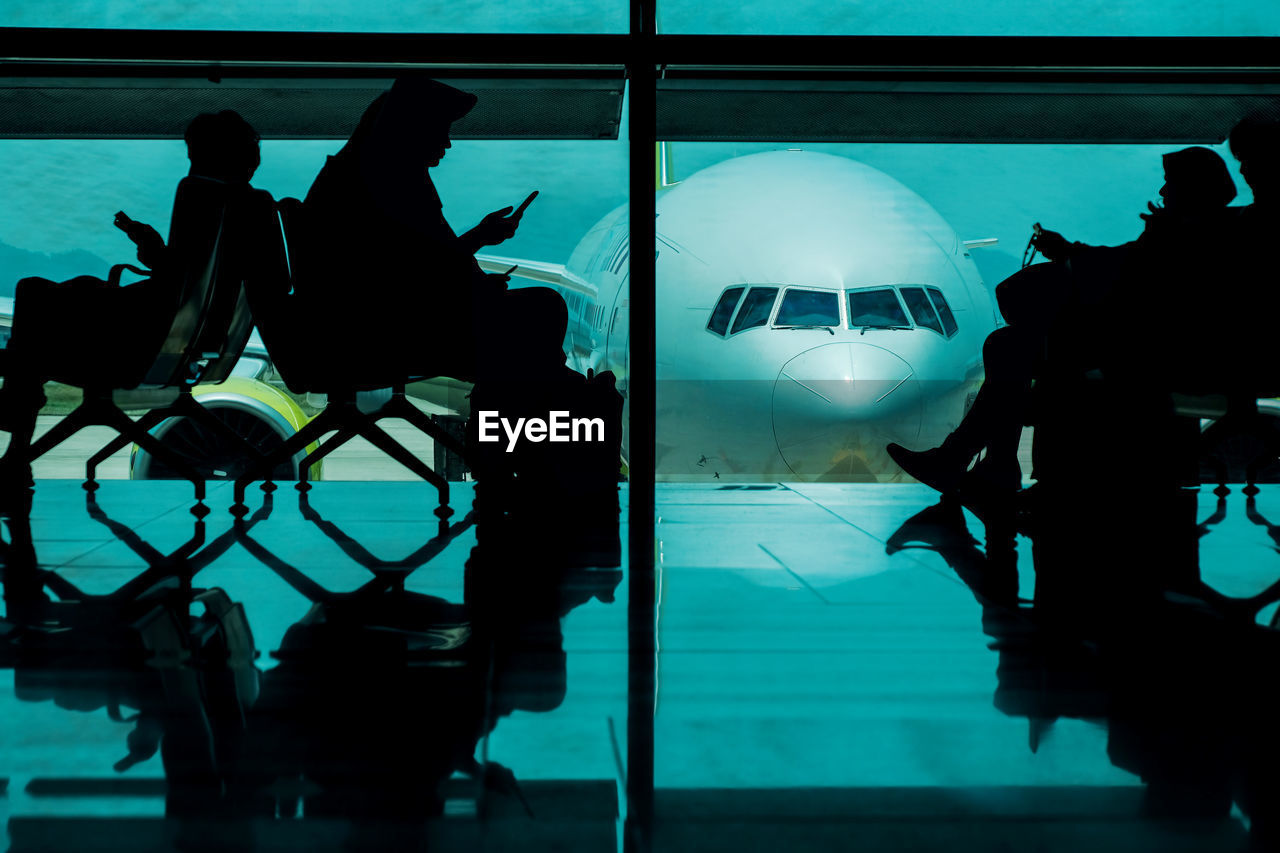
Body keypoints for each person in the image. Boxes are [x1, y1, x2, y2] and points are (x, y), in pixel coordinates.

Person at [887, 146, 1239, 500]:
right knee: (1009, 348)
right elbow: (1124, 267)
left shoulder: (1186, 236)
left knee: (1007, 349)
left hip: (1152, 351)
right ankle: (980, 462)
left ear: (1192, 189)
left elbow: (1130, 277)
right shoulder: (1197, 232)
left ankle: (979, 462)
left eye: (1169, 184)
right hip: (1142, 344)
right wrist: (1073, 251)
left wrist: (1074, 254)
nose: (1162, 193)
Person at [0, 110, 264, 496]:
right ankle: (15, 430)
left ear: (203, 155)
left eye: (194, 154)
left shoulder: (198, 193)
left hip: (144, 344)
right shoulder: (253, 207)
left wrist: (154, 252)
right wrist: (157, 255)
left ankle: (16, 441)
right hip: (184, 341)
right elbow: (191, 285)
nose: (190, 162)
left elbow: (173, 288)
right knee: (47, 308)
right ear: (250, 158)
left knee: (32, 296)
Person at [293, 76, 570, 386]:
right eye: (441, 130)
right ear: (413, 130)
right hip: (383, 336)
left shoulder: (358, 175)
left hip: (359, 330)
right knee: (545, 308)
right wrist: (478, 259)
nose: (447, 142)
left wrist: (479, 250)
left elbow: (415, 266)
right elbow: (424, 271)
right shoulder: (392, 184)